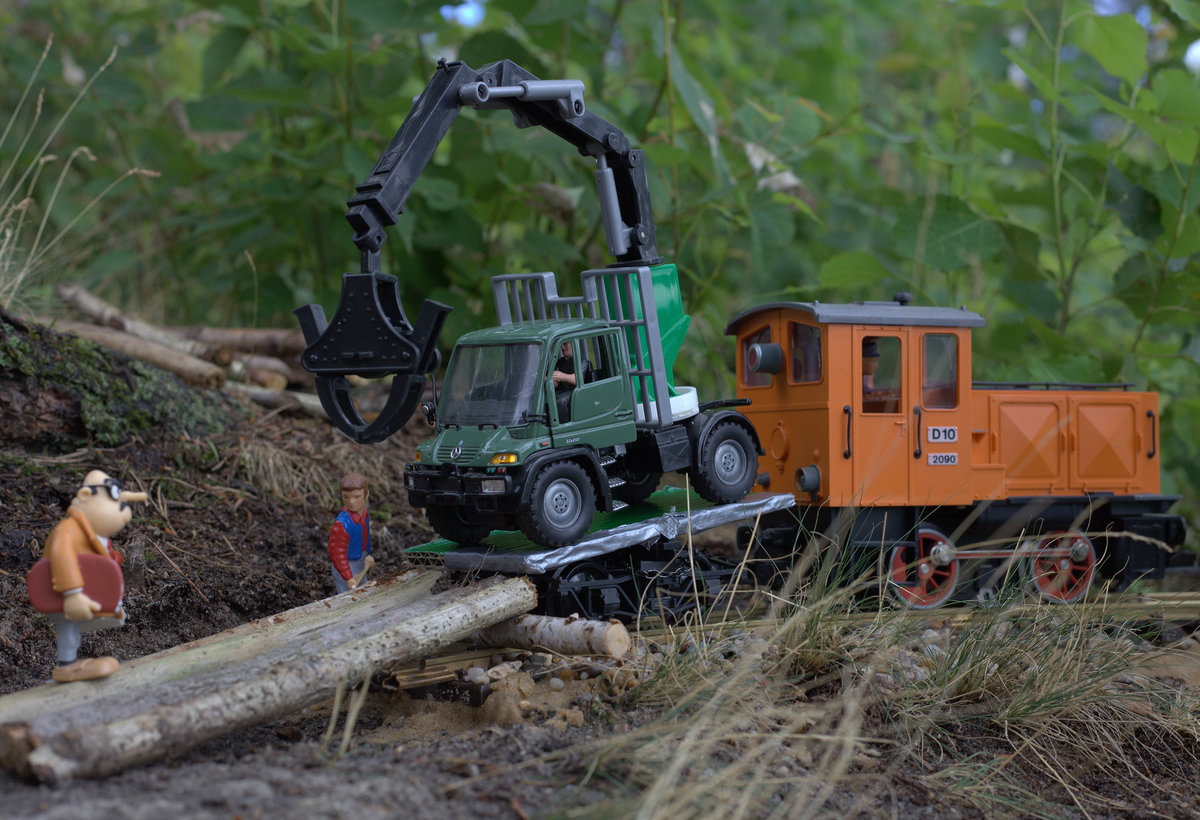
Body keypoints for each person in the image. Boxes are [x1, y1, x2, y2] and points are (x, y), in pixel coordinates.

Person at [41, 470, 147, 683]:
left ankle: (69, 662)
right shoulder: (68, 530)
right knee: (67, 625)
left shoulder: (92, 534)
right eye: (113, 497)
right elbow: (63, 557)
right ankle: (66, 666)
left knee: (73, 627)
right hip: (61, 591)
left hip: (84, 591)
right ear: (85, 497)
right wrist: (72, 593)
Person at [328, 472, 373, 593]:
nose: (351, 502)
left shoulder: (364, 513)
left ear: (366, 495)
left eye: (357, 496)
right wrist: (347, 576)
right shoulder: (342, 524)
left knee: (363, 591)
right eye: (346, 497)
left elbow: (364, 537)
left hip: (361, 562)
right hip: (347, 566)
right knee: (347, 597)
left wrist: (367, 554)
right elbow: (337, 553)